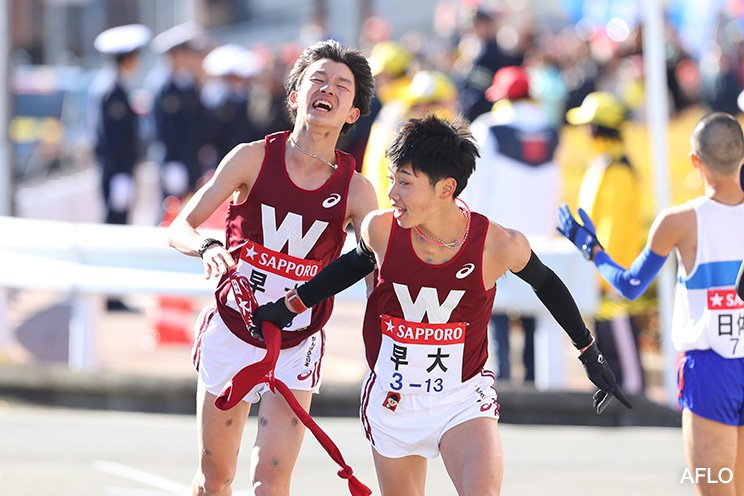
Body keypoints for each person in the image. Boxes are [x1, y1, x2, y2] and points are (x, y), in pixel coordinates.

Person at [252, 114, 631, 496]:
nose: (392, 193)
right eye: (390, 180)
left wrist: (588, 351)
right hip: (393, 402)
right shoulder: (381, 230)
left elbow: (547, 283)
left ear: (446, 188)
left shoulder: (497, 244)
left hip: (462, 399)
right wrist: (288, 307)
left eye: (404, 182)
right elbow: (349, 267)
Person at [165, 40, 377, 496]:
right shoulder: (251, 157)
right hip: (233, 331)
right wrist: (205, 247)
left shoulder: (358, 191)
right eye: (317, 79)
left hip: (297, 343)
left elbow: (379, 269)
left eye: (342, 86)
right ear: (295, 94)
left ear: (353, 113)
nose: (328, 89)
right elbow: (181, 226)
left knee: (270, 483)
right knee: (215, 479)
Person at [557, 112, 744, 496]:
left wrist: (590, 248)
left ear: (695, 161)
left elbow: (629, 285)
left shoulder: (680, 221)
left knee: (715, 488)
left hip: (710, 369)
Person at [463, 65, 561, 384]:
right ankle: (533, 378)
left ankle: (503, 377)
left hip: (498, 234)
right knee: (535, 302)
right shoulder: (549, 129)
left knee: (498, 309)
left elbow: (473, 184)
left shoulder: (489, 127)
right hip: (539, 237)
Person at [565, 91, 646, 395]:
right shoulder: (605, 165)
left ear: (599, 129)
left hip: (612, 279)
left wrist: (607, 275)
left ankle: (634, 401)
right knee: (607, 345)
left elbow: (618, 231)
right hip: (603, 274)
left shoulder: (618, 171)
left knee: (622, 349)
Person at [88, 23, 151, 312]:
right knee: (114, 230)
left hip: (120, 173)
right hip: (116, 174)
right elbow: (109, 139)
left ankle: (114, 295)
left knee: (118, 226)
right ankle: (111, 297)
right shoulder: (110, 90)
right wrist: (119, 174)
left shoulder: (115, 87)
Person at [151, 22, 211, 202]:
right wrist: (171, 161)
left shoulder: (189, 83)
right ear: (176, 55)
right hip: (174, 159)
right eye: (187, 53)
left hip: (192, 158)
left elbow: (198, 121)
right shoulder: (164, 86)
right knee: (170, 208)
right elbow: (163, 129)